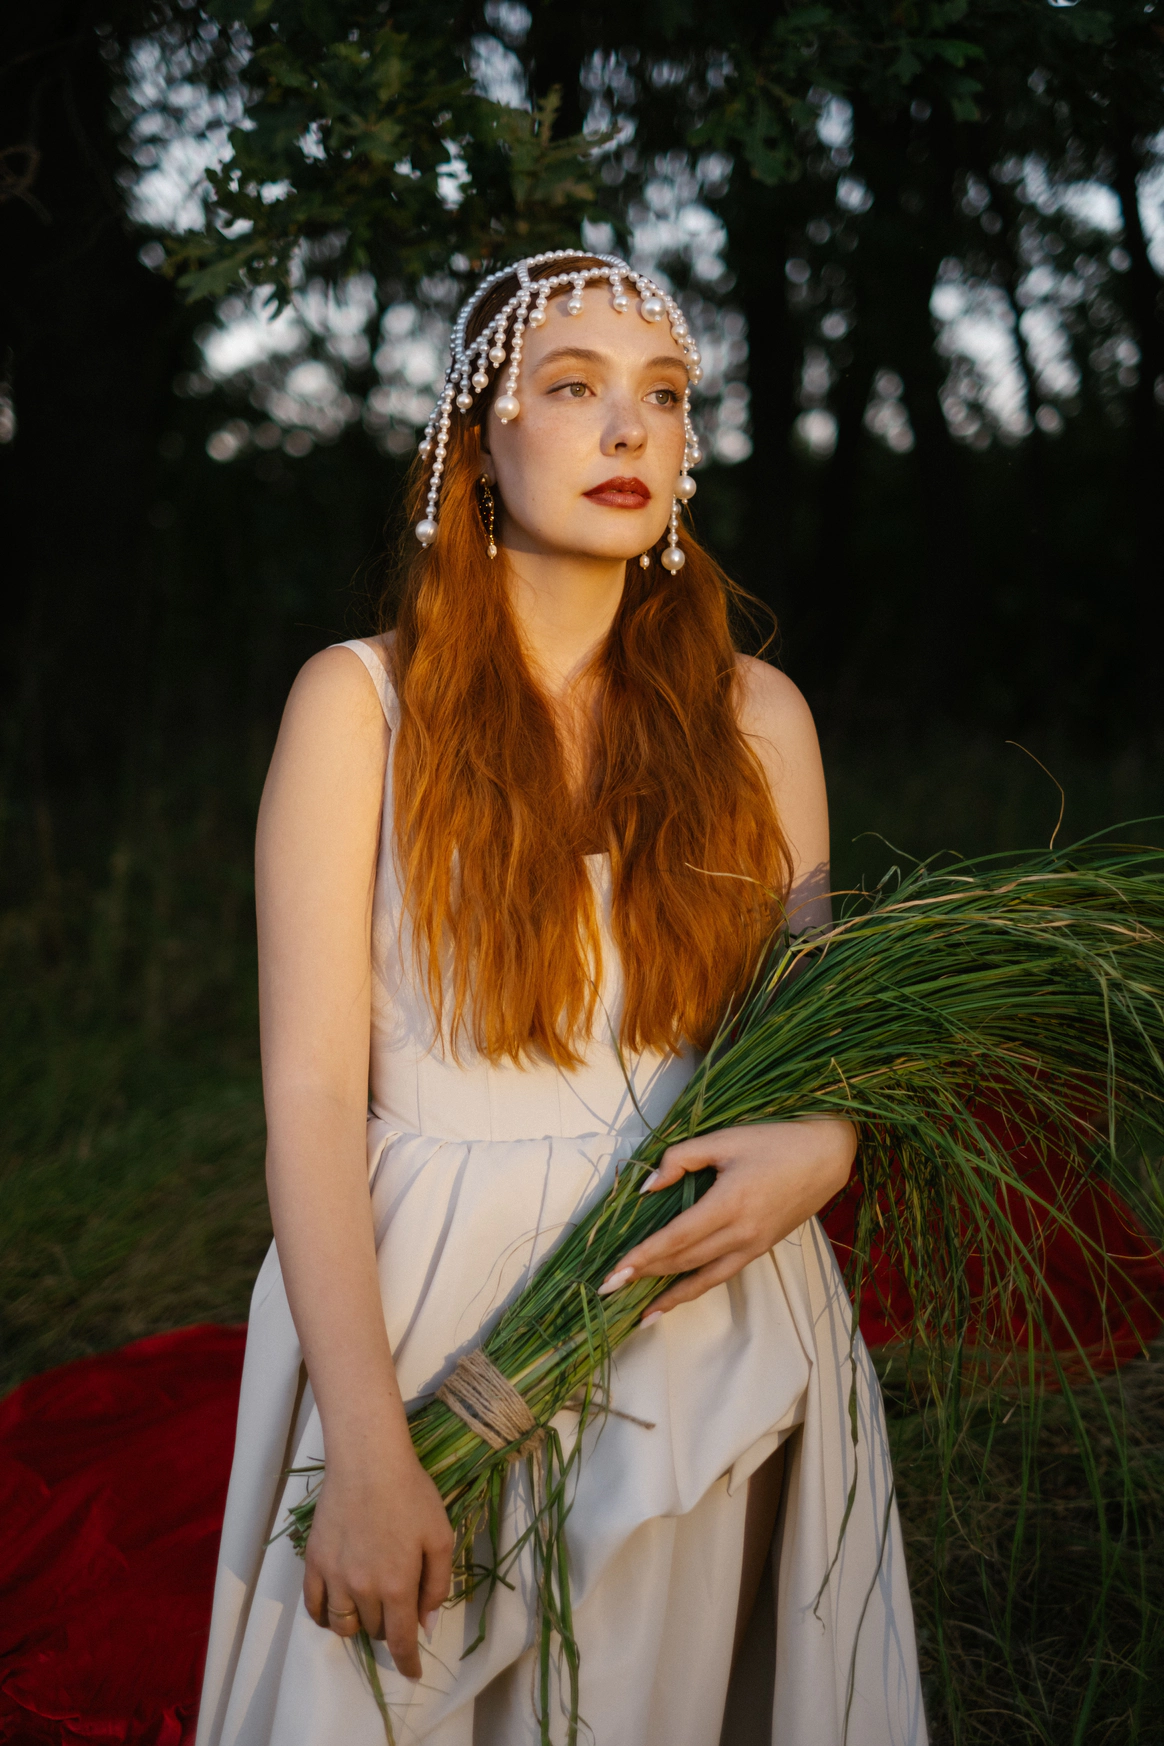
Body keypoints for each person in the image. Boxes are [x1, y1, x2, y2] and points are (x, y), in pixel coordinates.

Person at [196, 252, 925, 1746]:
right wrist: (370, 1446)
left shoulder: (758, 716)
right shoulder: (360, 703)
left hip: (699, 1292)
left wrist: (826, 1142)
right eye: (576, 386)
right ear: (480, 439)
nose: (629, 428)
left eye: (665, 396)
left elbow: (809, 1037)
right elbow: (313, 1096)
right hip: (433, 1292)